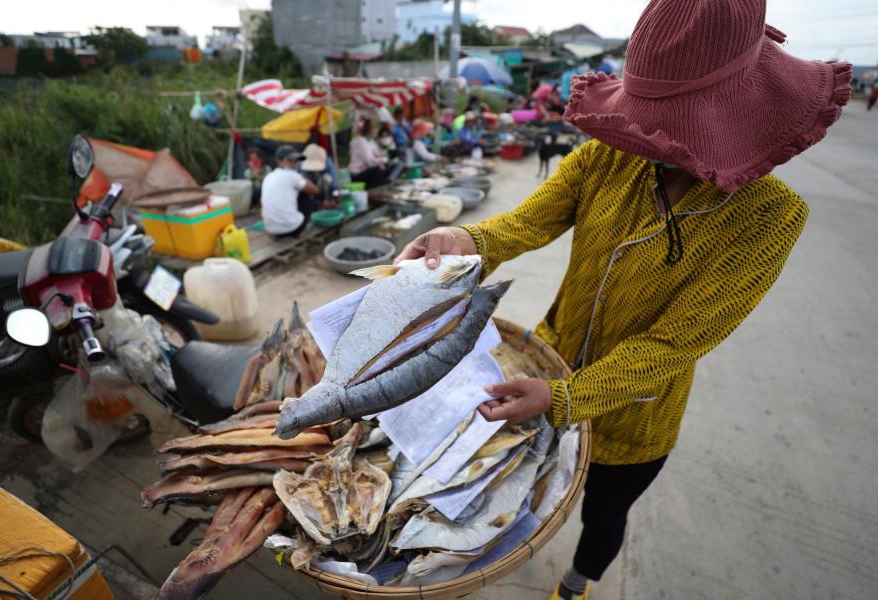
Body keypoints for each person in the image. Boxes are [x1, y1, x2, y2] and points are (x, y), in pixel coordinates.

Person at [393, 1, 850, 598]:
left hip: (635, 415)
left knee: (604, 516)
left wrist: (566, 399)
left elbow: (674, 344)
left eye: (676, 122)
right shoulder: (613, 153)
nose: (653, 137)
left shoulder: (769, 217)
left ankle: (577, 584)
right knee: (511, 486)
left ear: (734, 114)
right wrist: (467, 238)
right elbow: (527, 223)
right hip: (547, 364)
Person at [260, 145, 319, 238]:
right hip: (292, 229)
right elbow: (315, 191)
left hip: (271, 230)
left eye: (296, 161)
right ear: (279, 161)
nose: (295, 164)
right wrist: (301, 177)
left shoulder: (268, 177)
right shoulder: (292, 175)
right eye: (291, 160)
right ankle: (296, 227)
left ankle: (284, 223)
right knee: (305, 196)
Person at [348, 119, 390, 189]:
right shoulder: (361, 142)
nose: (375, 131)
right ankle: (372, 192)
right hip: (357, 173)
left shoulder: (369, 141)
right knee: (376, 171)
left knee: (387, 168)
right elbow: (370, 161)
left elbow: (377, 153)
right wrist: (384, 159)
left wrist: (386, 153)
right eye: (374, 129)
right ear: (370, 130)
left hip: (363, 170)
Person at [300, 143, 336, 209]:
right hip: (310, 192)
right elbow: (305, 186)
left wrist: (332, 198)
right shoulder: (300, 165)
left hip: (323, 188)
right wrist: (316, 203)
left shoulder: (327, 161)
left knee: (327, 178)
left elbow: (334, 183)